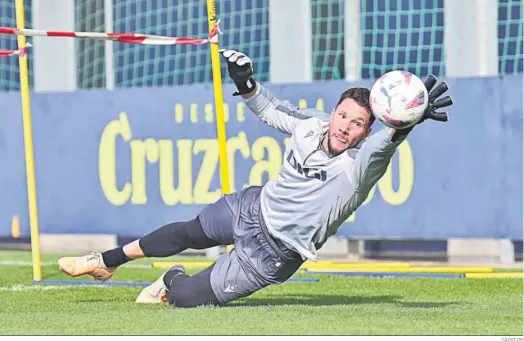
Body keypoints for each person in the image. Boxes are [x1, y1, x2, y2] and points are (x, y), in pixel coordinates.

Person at [57, 49, 453, 308]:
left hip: (274, 254)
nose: (346, 127)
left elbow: (383, 147)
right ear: (333, 112)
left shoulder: (359, 167)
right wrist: (245, 82)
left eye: (358, 124)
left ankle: (171, 278)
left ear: (367, 131)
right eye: (343, 115)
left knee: (187, 299)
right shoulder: (310, 125)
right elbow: (270, 109)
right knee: (188, 232)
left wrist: (405, 124)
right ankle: (104, 261)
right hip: (253, 207)